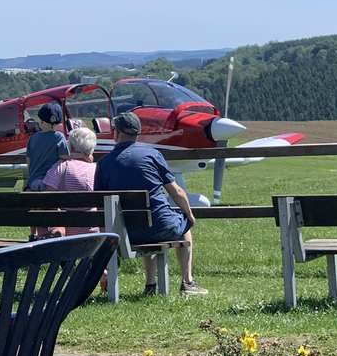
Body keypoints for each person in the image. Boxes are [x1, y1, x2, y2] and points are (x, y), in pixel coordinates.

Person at [94, 111, 208, 296]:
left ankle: (150, 285)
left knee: (145, 222)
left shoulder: (104, 163)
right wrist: (189, 214)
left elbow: (100, 203)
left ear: (117, 133)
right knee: (183, 226)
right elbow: (177, 192)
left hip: (125, 233)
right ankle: (187, 282)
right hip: (159, 226)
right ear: (137, 133)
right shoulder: (152, 155)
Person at [43, 126, 98, 236]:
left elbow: (48, 195)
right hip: (93, 227)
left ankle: (57, 230)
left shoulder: (62, 166)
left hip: (67, 228)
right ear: (91, 150)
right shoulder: (97, 169)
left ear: (71, 147)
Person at [25, 102, 69, 191]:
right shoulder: (59, 136)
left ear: (41, 122)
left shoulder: (33, 137)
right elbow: (65, 157)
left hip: (33, 182)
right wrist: (81, 155)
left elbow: (28, 161)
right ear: (57, 123)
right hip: (50, 183)